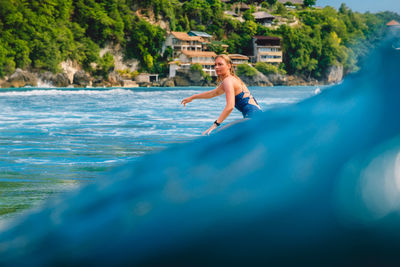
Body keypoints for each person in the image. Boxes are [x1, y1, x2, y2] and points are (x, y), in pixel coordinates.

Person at [181, 54, 262, 135]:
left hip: (252, 117)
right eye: (215, 65)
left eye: (220, 64)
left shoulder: (228, 81)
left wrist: (215, 124)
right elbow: (213, 93)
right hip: (256, 116)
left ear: (228, 66)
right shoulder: (232, 79)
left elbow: (230, 106)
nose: (216, 67)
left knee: (219, 134)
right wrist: (193, 97)